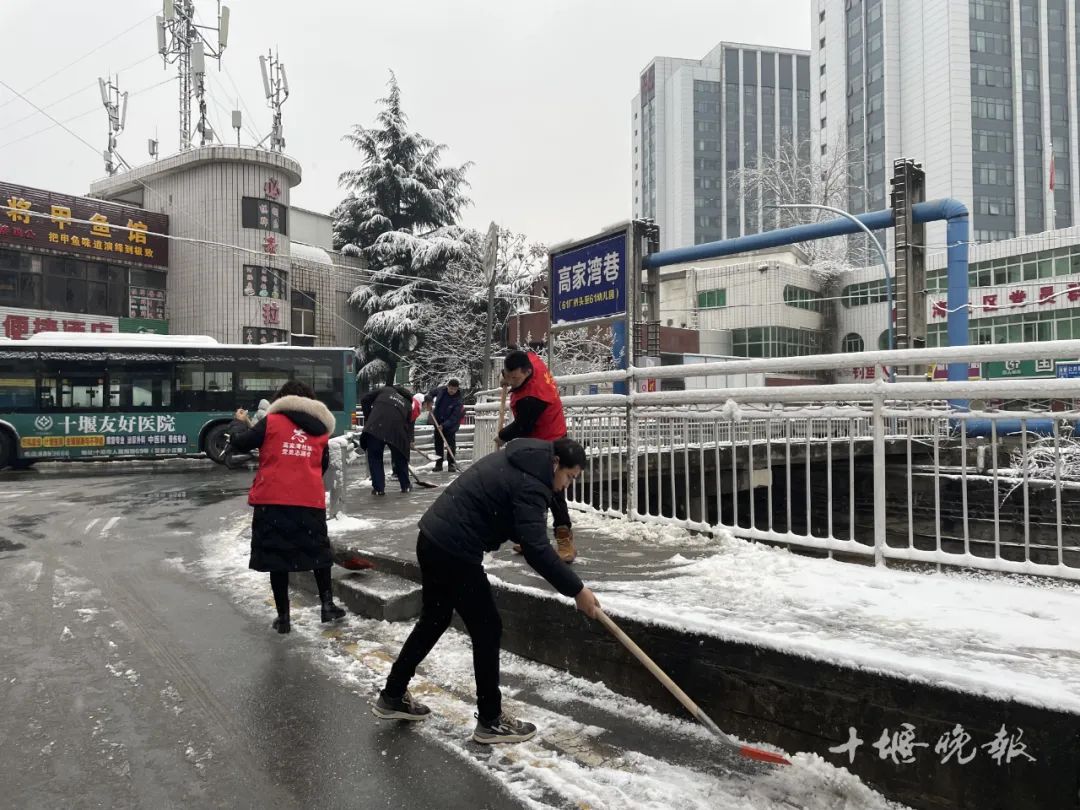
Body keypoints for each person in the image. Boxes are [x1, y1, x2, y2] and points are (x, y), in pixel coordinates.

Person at [372, 437, 599, 743]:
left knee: (435, 619)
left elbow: (524, 518)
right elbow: (536, 548)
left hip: (433, 538)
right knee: (487, 627)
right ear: (556, 463)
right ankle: (491, 720)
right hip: (454, 549)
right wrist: (577, 590)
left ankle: (393, 694)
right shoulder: (532, 482)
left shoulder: (527, 460)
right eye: (569, 477)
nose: (567, 485)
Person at [227, 380, 348, 634]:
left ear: (280, 399)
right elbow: (322, 465)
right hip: (308, 500)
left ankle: (284, 618)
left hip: (273, 500)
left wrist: (238, 422)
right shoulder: (321, 430)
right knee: (318, 554)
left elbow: (239, 443)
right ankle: (327, 606)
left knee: (277, 557)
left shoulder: (271, 422)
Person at [498, 350, 577, 563]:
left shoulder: (534, 397)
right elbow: (514, 355)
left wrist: (501, 436)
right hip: (535, 441)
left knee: (553, 491)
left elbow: (521, 426)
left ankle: (564, 540)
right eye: (509, 376)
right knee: (530, 490)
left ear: (527, 372)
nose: (512, 382)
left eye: (516, 378)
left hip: (551, 440)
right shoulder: (529, 358)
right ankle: (533, 539)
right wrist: (505, 377)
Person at [360, 384, 415, 496]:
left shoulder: (385, 390)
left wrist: (369, 417)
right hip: (397, 432)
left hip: (376, 427)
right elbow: (409, 425)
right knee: (400, 458)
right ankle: (405, 486)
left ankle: (379, 489)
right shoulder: (408, 405)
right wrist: (409, 440)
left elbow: (365, 399)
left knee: (375, 458)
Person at [430, 378, 465, 472]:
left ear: (457, 389)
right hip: (438, 421)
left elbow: (454, 417)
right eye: (451, 388)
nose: (452, 391)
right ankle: (439, 464)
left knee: (450, 444)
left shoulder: (458, 401)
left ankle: (451, 464)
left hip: (450, 426)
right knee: (438, 444)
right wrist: (428, 401)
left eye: (454, 389)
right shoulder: (442, 391)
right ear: (448, 386)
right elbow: (431, 393)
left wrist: (444, 425)